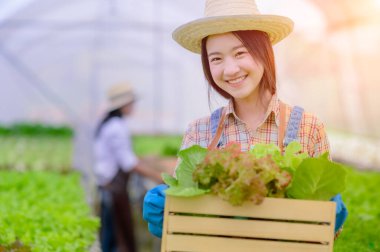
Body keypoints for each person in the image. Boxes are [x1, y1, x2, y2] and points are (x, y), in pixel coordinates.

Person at [143, 0, 347, 240]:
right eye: (216, 59)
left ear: (264, 52)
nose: (230, 70)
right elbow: (185, 227)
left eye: (240, 53)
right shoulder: (198, 132)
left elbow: (323, 236)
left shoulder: (309, 127)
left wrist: (327, 217)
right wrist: (169, 215)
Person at [94, 83, 162, 252]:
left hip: (109, 185)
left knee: (111, 232)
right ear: (123, 105)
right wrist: (157, 176)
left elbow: (124, 156)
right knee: (116, 235)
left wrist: (145, 159)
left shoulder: (110, 123)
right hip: (113, 186)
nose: (133, 107)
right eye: (131, 103)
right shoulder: (117, 126)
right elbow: (128, 163)